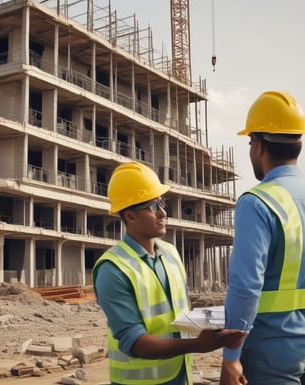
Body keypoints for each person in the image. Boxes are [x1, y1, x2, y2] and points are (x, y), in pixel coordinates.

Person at [93, 161, 247, 385]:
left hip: (180, 375)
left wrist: (217, 322)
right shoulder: (113, 269)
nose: (163, 212)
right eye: (153, 206)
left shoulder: (171, 253)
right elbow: (133, 340)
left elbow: (178, 314)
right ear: (130, 216)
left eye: (161, 203)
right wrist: (198, 345)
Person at [220, 90, 305, 385]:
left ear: (257, 146)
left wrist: (231, 359)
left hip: (273, 350)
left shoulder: (257, 203)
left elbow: (246, 287)